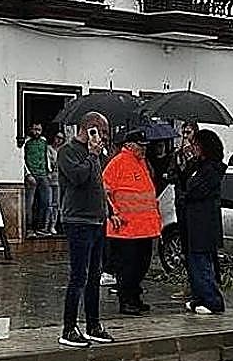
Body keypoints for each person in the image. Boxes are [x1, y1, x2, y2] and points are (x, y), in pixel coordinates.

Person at [56, 112, 115, 347]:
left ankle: (93, 324)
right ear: (91, 129)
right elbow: (78, 178)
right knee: (78, 275)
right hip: (78, 220)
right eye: (102, 132)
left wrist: (108, 210)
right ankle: (69, 328)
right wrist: (92, 155)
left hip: (96, 220)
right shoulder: (67, 152)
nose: (104, 137)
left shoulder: (96, 155)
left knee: (94, 275)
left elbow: (97, 185)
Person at [103, 129, 163, 315]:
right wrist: (113, 213)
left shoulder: (142, 163)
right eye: (140, 146)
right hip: (126, 228)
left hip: (144, 228)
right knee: (128, 267)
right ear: (129, 145)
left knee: (141, 265)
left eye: (145, 146)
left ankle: (134, 297)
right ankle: (126, 300)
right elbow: (104, 190)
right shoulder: (118, 162)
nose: (143, 149)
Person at [179, 129, 226, 314]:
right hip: (191, 223)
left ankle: (212, 300)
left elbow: (196, 191)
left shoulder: (212, 169)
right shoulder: (198, 166)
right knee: (193, 263)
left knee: (202, 264)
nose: (194, 148)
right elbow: (183, 181)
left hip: (203, 224)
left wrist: (186, 196)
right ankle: (199, 297)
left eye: (197, 145)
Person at [22, 123, 49, 236]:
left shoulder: (43, 141)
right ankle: (29, 228)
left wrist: (48, 170)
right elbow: (21, 158)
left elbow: (45, 155)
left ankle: (40, 227)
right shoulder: (26, 142)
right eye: (35, 129)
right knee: (30, 203)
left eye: (39, 130)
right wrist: (27, 174)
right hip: (31, 175)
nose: (37, 132)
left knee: (45, 202)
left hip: (43, 174)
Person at [44, 132, 63, 235]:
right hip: (50, 178)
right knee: (49, 203)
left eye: (61, 138)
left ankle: (53, 225)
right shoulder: (48, 149)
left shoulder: (62, 151)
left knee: (56, 205)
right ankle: (46, 225)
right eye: (57, 137)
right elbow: (48, 163)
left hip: (58, 180)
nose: (59, 140)